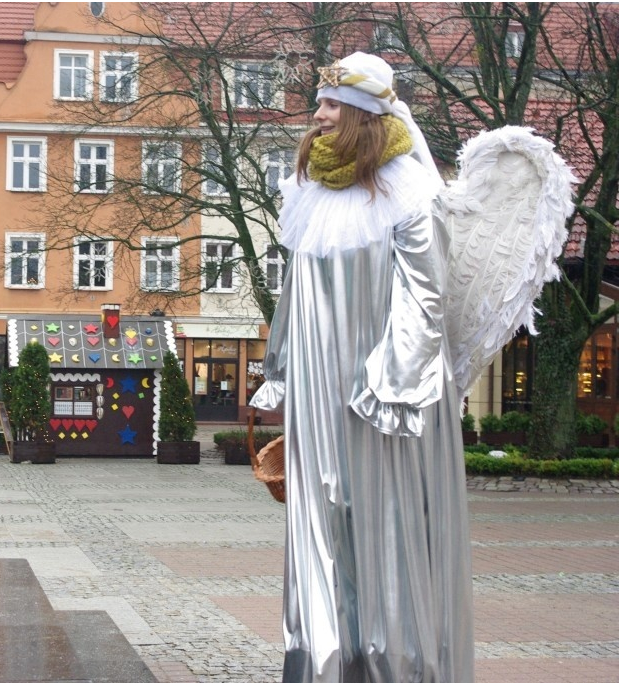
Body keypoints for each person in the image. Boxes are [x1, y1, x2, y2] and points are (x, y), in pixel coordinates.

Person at [249, 52, 474, 681]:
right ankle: (321, 662)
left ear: (363, 115)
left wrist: (395, 383)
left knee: (385, 525)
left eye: (330, 106)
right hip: (320, 388)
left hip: (381, 393)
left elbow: (427, 294)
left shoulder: (411, 191)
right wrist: (283, 371)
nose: (316, 117)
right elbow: (296, 289)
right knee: (321, 518)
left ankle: (391, 666)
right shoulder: (310, 191)